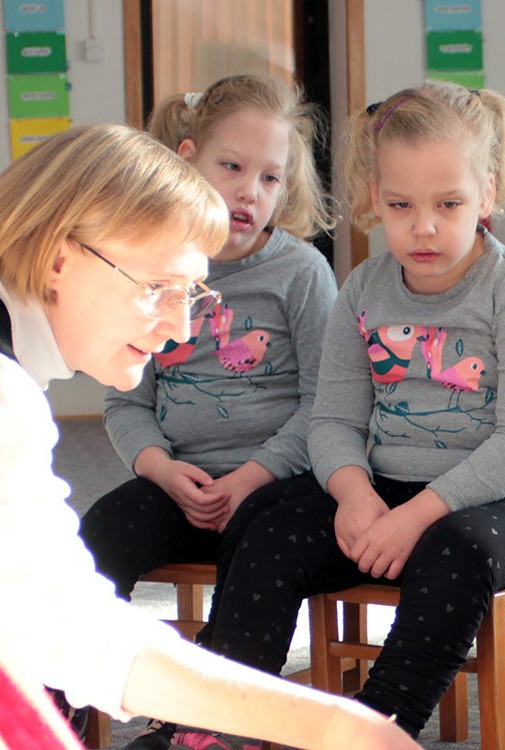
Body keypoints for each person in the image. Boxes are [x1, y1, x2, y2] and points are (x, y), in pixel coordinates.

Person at [0, 123, 416, 750]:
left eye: (192, 294)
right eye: (158, 289)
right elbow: (75, 633)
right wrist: (332, 724)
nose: (181, 330)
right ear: (59, 259)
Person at [198, 80, 505, 740]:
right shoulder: (363, 287)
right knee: (265, 519)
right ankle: (218, 718)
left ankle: (374, 728)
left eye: (448, 204)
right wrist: (354, 494)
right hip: (387, 491)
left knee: (454, 551)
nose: (423, 226)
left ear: (485, 194)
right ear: (375, 198)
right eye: (401, 205)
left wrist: (415, 517)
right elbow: (333, 420)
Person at [75, 74, 341, 749]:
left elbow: (328, 404)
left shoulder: (301, 272)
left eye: (270, 178)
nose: (251, 191)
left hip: (276, 491)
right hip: (181, 485)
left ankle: (209, 729)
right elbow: (126, 399)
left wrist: (253, 476)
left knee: (265, 555)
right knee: (99, 532)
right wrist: (160, 469)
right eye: (232, 167)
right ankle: (48, 709)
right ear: (187, 159)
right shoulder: (152, 265)